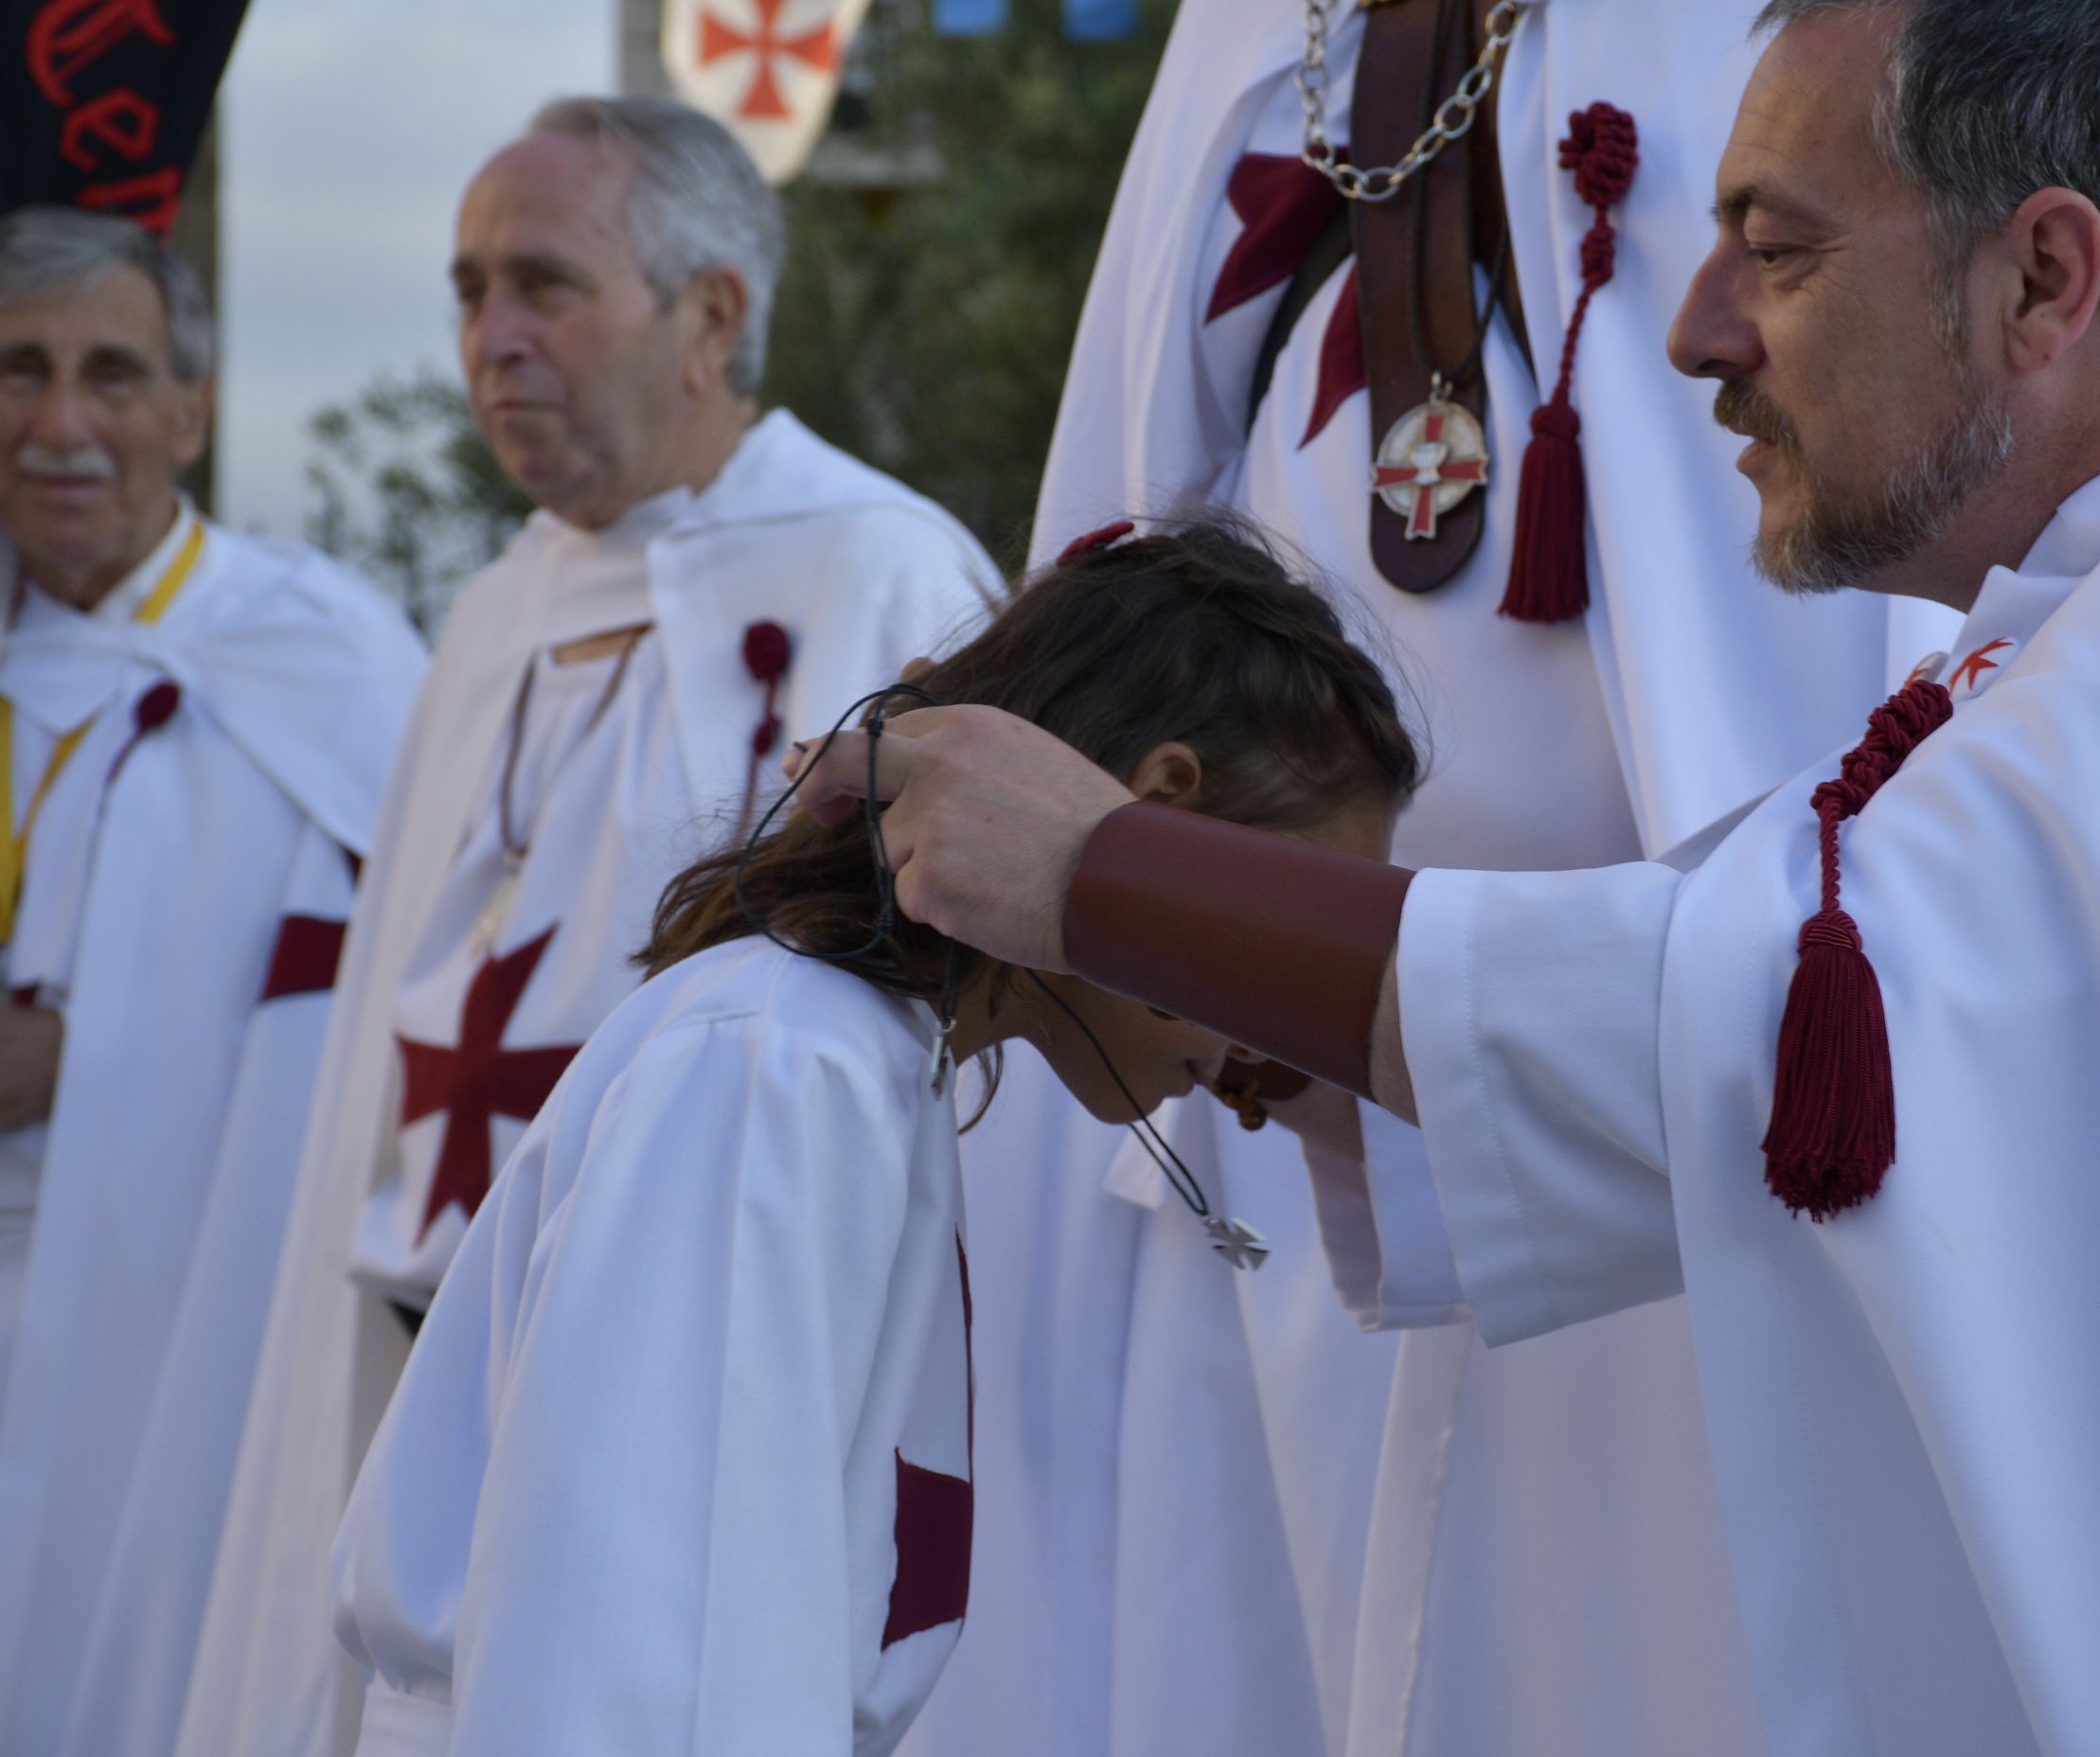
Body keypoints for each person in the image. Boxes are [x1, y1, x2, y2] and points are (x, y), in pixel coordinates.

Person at [792, 0, 2100, 1749]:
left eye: (1777, 248)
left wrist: (1099, 872)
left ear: (2045, 278)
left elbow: (1781, 1033)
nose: (1693, 334)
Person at [911, 5, 1955, 1753]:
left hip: (1658, 1068)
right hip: (1266, 1055)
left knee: (1664, 1641)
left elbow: (1844, 578)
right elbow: (1133, 488)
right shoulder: (1258, 34)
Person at [179, 97, 996, 1757]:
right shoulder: (497, 606)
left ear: (711, 314)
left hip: (682, 1369)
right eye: (469, 291)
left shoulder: (890, 580)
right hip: (413, 1336)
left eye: (544, 285)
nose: (493, 340)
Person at [328, 521, 1420, 1757]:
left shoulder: (860, 1062)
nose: (1286, 1035)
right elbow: (656, 1671)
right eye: (1290, 928)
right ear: (1162, 814)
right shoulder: (785, 1059)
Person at [0, 209, 426, 1757]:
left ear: (193, 406)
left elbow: (429, 991)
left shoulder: (325, 657)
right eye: (18, 371)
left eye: (111, 375)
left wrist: (91, 1055)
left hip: (204, 1310)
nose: (60, 424)